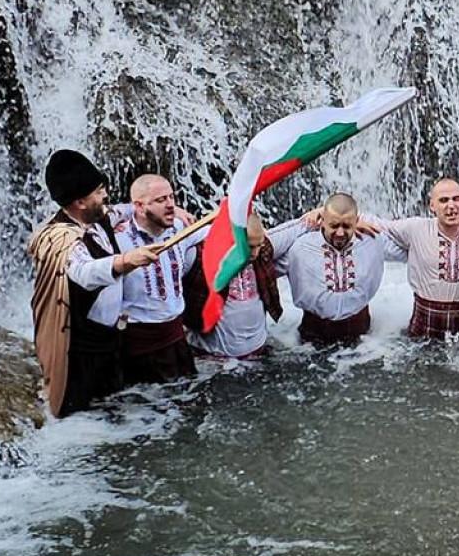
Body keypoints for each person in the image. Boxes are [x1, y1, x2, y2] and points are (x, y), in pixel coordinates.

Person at [28, 150, 158, 417]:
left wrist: (169, 208)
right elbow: (83, 274)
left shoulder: (99, 218)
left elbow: (122, 211)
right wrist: (125, 262)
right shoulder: (58, 238)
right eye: (98, 192)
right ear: (80, 202)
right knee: (85, 419)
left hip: (111, 340)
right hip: (82, 351)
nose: (105, 196)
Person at [270, 192, 404, 345]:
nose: (340, 232)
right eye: (334, 225)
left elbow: (411, 248)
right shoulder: (300, 247)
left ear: (357, 221)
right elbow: (262, 254)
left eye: (347, 226)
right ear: (322, 221)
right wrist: (303, 224)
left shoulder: (373, 239)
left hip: (363, 339)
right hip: (312, 337)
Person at [112, 174, 209, 384]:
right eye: (160, 200)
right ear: (138, 206)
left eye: (171, 197)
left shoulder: (180, 228)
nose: (170, 205)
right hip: (140, 343)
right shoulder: (117, 240)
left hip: (176, 336)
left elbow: (216, 231)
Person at [384, 178, 459, 339]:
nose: (451, 205)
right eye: (443, 200)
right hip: (425, 323)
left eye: (456, 199)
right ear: (432, 206)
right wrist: (354, 220)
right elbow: (379, 226)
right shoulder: (415, 228)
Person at [183, 212, 283, 358]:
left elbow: (294, 230)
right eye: (249, 246)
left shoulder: (263, 249)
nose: (255, 253)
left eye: (259, 245)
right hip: (212, 360)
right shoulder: (196, 256)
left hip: (258, 354)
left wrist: (315, 214)